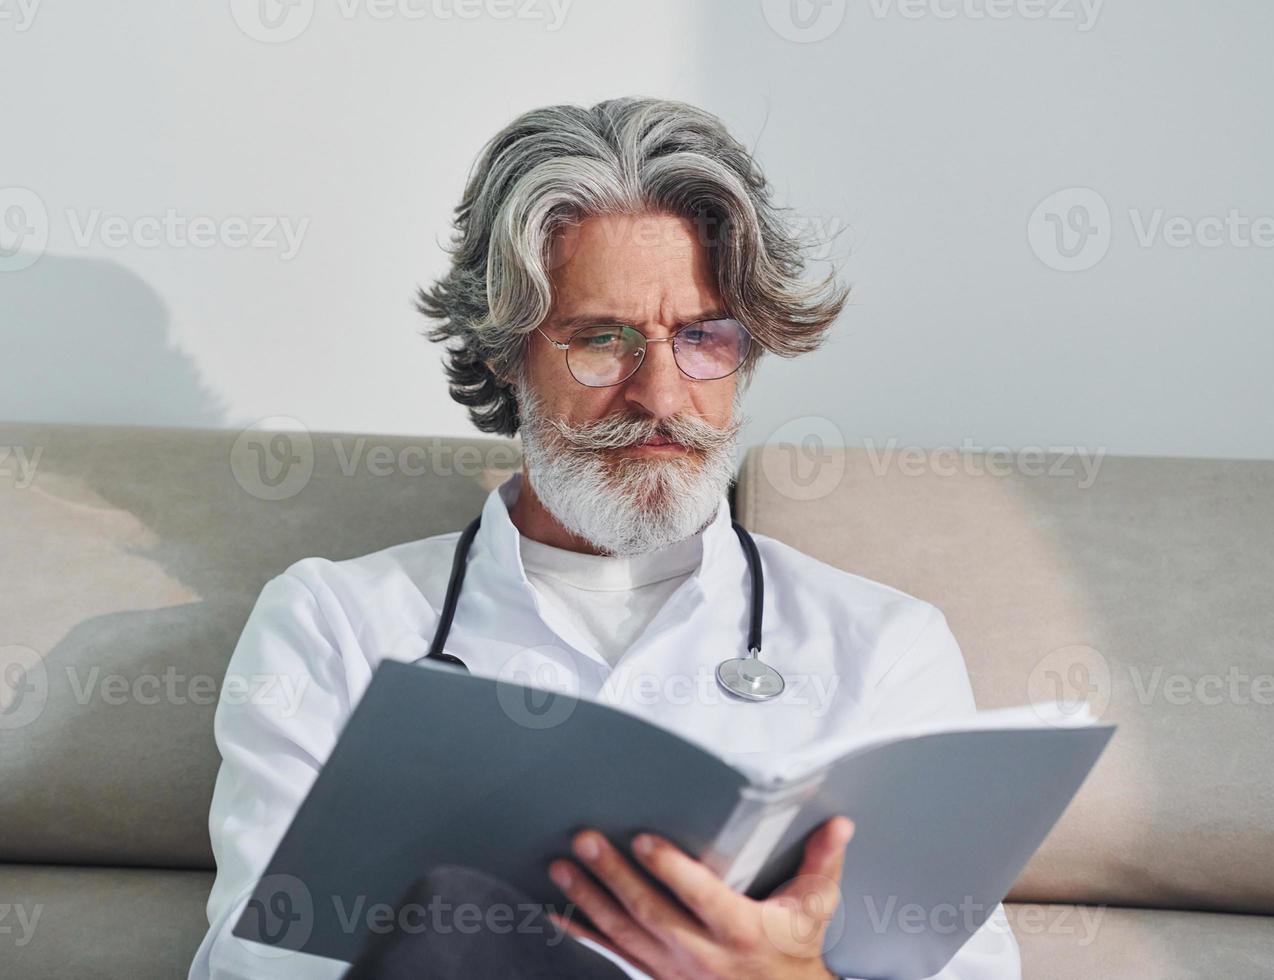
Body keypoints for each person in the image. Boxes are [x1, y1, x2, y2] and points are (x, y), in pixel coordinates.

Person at [188, 96, 1022, 980]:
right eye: (602, 341)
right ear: (504, 356)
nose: (661, 396)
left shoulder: (883, 647)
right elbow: (257, 961)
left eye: (704, 338)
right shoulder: (336, 624)